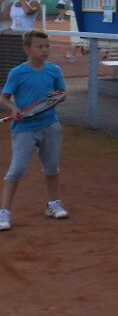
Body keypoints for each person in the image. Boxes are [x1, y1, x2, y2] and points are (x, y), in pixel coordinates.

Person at [0, 30, 68, 231]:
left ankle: (53, 204)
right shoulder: (17, 73)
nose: (45, 50)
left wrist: (58, 98)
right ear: (27, 49)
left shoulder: (54, 70)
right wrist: (13, 109)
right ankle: (4, 212)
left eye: (47, 46)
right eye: (40, 47)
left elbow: (61, 93)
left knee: (52, 168)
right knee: (17, 170)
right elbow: (4, 97)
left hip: (50, 125)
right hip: (24, 129)